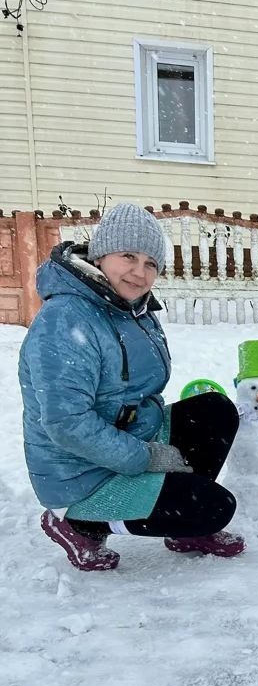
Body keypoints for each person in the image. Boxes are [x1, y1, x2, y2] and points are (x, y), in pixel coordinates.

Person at [18, 202, 245, 572]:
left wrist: (150, 443)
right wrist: (146, 457)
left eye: (151, 264)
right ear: (101, 255)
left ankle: (182, 524)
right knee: (216, 508)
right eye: (128, 256)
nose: (139, 273)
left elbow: (143, 389)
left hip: (128, 438)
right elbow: (65, 423)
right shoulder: (64, 321)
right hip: (81, 475)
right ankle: (78, 523)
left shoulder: (134, 309)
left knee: (214, 411)